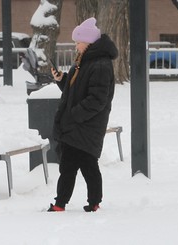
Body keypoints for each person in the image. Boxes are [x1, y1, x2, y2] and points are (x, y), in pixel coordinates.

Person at [47, 17, 118, 212]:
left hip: (86, 125)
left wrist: (74, 115)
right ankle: (79, 202)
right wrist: (63, 80)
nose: (75, 45)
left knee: (81, 165)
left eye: (77, 42)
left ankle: (70, 203)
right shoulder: (85, 61)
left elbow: (97, 99)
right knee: (77, 165)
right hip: (80, 125)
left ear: (88, 42)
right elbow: (77, 90)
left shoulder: (100, 64)